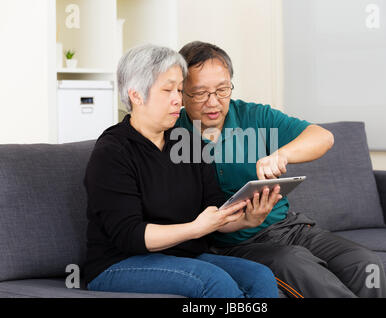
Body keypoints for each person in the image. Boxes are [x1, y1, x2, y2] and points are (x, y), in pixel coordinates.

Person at [175, 41, 386, 298]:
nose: (213, 102)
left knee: (366, 263)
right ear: (182, 92)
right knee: (295, 263)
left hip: (289, 228)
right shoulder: (172, 132)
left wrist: (282, 154)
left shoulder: (255, 116)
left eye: (222, 90)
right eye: (200, 93)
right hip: (232, 244)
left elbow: (323, 137)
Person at [83, 43, 279, 298]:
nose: (178, 99)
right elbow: (130, 236)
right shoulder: (113, 151)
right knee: (213, 281)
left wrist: (248, 218)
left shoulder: (189, 142)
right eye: (167, 90)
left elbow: (215, 209)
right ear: (136, 95)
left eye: (179, 89)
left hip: (183, 257)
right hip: (119, 263)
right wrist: (196, 229)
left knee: (259, 276)